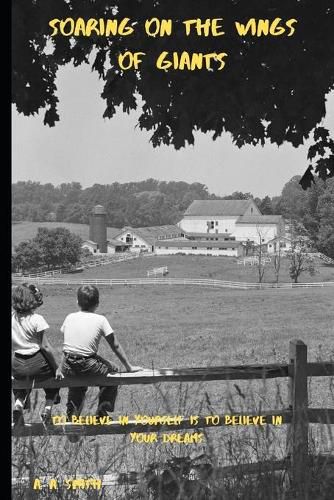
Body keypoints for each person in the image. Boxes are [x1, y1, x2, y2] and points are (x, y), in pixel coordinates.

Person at [57, 285, 142, 419]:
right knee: (114, 370)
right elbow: (115, 344)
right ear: (97, 304)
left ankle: (72, 415)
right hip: (88, 363)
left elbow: (66, 346)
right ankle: (102, 410)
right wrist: (129, 367)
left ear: (77, 302)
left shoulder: (69, 317)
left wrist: (60, 367)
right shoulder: (101, 320)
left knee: (76, 384)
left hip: (68, 364)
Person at [12, 283, 61, 426]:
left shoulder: (11, 318)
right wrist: (57, 368)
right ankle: (47, 409)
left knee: (21, 382)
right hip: (38, 362)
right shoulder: (37, 319)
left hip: (17, 363)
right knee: (53, 379)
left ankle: (18, 404)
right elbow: (45, 346)